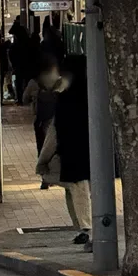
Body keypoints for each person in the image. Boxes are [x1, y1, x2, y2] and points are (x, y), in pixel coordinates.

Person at [36, 55, 91, 248]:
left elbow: (54, 131)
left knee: (76, 188)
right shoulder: (92, 92)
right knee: (80, 188)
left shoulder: (66, 98)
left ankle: (86, 229)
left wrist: (43, 159)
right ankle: (86, 228)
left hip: (71, 151)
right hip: (92, 151)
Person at [24, 56, 61, 190]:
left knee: (42, 148)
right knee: (55, 148)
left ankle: (45, 179)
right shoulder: (59, 81)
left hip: (40, 121)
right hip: (56, 119)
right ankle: (55, 176)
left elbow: (24, 99)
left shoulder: (34, 82)